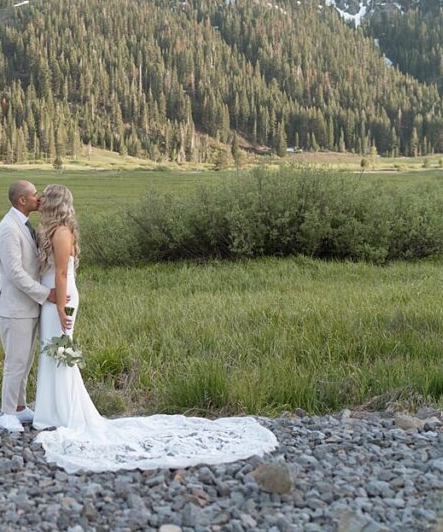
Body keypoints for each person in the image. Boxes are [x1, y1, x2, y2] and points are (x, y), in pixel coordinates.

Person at [31, 184, 278, 473]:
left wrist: (61, 308)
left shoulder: (61, 232)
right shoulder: (51, 230)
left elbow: (61, 273)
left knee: (61, 349)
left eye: (45, 197)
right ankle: (51, 411)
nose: (40, 200)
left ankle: (65, 412)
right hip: (52, 295)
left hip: (62, 297)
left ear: (55, 203)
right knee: (53, 351)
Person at [0, 180, 69, 433]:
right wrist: (45, 293)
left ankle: (19, 406)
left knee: (24, 360)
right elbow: (14, 272)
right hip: (15, 306)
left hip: (27, 306)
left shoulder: (25, 225)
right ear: (22, 200)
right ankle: (6, 413)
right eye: (35, 195)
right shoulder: (8, 229)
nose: (39, 198)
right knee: (15, 361)